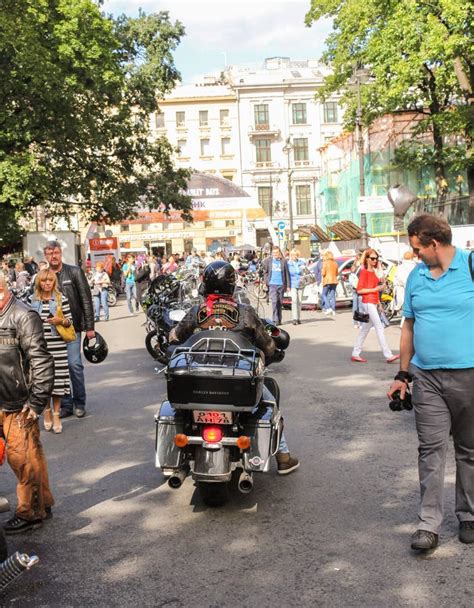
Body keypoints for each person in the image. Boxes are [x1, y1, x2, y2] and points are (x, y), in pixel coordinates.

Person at [388, 214, 474, 551]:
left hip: (470, 375)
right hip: (428, 380)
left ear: (433, 243)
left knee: (469, 451)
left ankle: (468, 515)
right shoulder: (416, 277)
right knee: (431, 451)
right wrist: (402, 374)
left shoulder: (470, 266)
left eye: (416, 248)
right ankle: (428, 524)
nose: (414, 255)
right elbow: (408, 326)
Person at [169, 261, 299, 475]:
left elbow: (174, 336)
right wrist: (271, 351)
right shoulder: (245, 312)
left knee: (176, 406)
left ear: (206, 284)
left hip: (198, 381)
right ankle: (283, 457)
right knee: (271, 405)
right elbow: (267, 345)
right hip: (238, 380)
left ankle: (178, 455)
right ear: (232, 285)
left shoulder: (197, 311)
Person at [0, 270, 55, 533]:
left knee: (22, 458)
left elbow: (41, 361)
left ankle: (30, 512)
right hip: (5, 400)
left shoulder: (23, 315)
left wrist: (35, 403)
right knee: (30, 455)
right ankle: (42, 502)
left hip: (19, 403)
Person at [43, 240, 95, 418]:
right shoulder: (43, 275)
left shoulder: (74, 272)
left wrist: (90, 327)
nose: (53, 256)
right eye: (50, 253)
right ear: (45, 256)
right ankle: (66, 404)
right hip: (51, 330)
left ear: (61, 253)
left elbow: (86, 300)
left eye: (56, 252)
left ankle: (79, 402)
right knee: (59, 367)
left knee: (74, 364)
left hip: (72, 327)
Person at [29, 269, 73, 434]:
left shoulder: (62, 299)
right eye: (43, 281)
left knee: (57, 381)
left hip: (58, 345)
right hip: (39, 347)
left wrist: (60, 320)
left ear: (54, 282)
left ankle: (56, 414)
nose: (47, 284)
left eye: (50, 281)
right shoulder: (32, 300)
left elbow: (70, 322)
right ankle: (46, 411)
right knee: (42, 381)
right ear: (39, 282)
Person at [351, 249, 399, 364]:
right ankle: (388, 355)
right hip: (367, 301)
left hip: (372, 301)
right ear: (367, 259)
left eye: (376, 258)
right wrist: (375, 289)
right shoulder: (364, 272)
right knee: (379, 327)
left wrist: (378, 302)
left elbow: (376, 288)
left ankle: (355, 353)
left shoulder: (374, 271)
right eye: (372, 258)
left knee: (365, 329)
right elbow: (359, 290)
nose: (375, 260)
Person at [263, 246, 290, 325]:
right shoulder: (268, 261)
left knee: (279, 302)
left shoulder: (283, 261)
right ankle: (275, 319)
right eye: (274, 252)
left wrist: (288, 285)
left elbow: (286, 273)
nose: (275, 254)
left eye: (276, 252)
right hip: (272, 284)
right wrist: (266, 281)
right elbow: (266, 272)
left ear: (279, 253)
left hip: (281, 284)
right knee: (274, 301)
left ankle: (279, 318)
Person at [287, 249, 305, 325]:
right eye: (292, 255)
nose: (294, 256)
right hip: (293, 284)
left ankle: (298, 318)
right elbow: (287, 275)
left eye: (295, 255)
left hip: (301, 284)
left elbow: (305, 273)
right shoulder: (288, 264)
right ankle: (294, 318)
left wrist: (304, 270)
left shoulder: (302, 263)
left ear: (297, 255)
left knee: (299, 301)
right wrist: (288, 285)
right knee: (294, 301)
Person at [321, 251, 339, 316]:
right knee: (332, 295)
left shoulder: (325, 263)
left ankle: (328, 307)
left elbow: (323, 273)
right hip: (334, 281)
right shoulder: (335, 263)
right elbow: (337, 273)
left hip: (327, 281)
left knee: (323, 294)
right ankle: (333, 310)